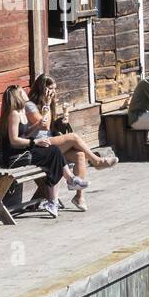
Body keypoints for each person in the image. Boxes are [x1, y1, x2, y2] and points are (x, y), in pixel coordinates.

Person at [26, 74, 118, 211]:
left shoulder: (48, 102)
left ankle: (79, 197)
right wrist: (46, 104)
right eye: (50, 88)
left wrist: (61, 121)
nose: (53, 92)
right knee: (73, 137)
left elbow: (50, 127)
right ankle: (97, 161)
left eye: (55, 88)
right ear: (42, 88)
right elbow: (43, 126)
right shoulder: (30, 105)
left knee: (80, 155)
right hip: (38, 145)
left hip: (50, 143)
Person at [0, 85, 86, 218]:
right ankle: (67, 184)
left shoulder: (21, 112)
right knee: (53, 154)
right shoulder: (13, 114)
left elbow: (24, 134)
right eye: (22, 92)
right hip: (15, 157)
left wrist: (37, 126)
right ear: (17, 96)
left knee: (54, 151)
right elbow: (14, 141)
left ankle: (57, 197)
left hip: (23, 151)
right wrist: (35, 142)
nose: (25, 93)